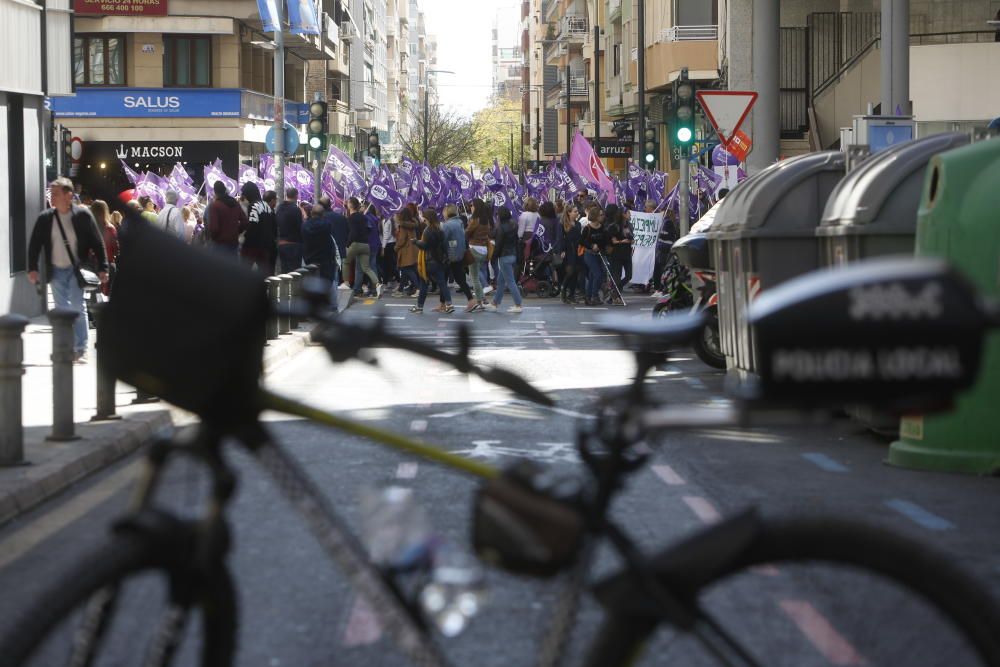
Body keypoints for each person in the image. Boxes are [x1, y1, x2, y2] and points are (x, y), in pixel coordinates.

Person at [26, 178, 109, 362]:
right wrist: (32, 268)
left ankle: (81, 348)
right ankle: (65, 347)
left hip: (76, 269)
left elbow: (97, 242)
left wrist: (103, 267)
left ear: (68, 195)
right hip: (55, 270)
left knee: (78, 307)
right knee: (61, 311)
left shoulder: (82, 216)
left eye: (55, 193)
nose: (51, 197)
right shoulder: (46, 218)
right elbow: (34, 244)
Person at [410, 209, 451, 314]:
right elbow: (445, 246)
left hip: (429, 262)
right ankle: (449, 304)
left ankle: (419, 307)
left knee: (423, 284)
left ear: (428, 218)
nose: (423, 219)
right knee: (442, 283)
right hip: (439, 261)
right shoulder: (440, 229)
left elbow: (425, 245)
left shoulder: (428, 230)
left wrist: (415, 242)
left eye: (424, 218)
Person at [302, 203, 339, 313]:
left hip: (310, 257)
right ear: (323, 214)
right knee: (328, 281)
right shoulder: (327, 225)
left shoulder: (304, 225)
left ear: (311, 213)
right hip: (325, 257)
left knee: (310, 281)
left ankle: (312, 307)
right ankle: (331, 305)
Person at [484, 207, 522, 314]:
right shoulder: (514, 224)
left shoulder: (501, 228)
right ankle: (495, 303)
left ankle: (518, 304)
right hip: (513, 254)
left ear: (499, 216)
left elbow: (498, 245)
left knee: (510, 281)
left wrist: (493, 258)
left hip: (504, 257)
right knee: (501, 281)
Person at [345, 196, 383, 303]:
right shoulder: (372, 218)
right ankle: (376, 285)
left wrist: (348, 244)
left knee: (357, 267)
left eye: (363, 206)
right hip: (372, 245)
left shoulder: (365, 217)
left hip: (364, 244)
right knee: (369, 267)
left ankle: (357, 289)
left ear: (365, 207)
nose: (361, 207)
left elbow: (359, 231)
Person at [441, 204, 476, 312]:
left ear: (447, 213)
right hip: (459, 253)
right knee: (458, 279)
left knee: (445, 279)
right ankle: (443, 303)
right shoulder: (459, 222)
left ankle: (469, 301)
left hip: (451, 255)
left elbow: (443, 240)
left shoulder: (448, 225)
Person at [240, 182, 276, 274]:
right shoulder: (266, 205)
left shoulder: (253, 206)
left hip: (252, 245)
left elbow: (252, 225)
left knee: (244, 271)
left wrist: (246, 240)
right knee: (264, 274)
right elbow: (273, 225)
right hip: (266, 245)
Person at [207, 180, 248, 256]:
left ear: (215, 192)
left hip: (219, 245)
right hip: (234, 244)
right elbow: (245, 222)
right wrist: (236, 232)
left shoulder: (215, 206)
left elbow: (214, 228)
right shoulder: (235, 204)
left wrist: (214, 238)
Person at [465, 199, 492, 311]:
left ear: (476, 207)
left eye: (472, 205)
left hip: (474, 249)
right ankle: (483, 298)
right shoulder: (486, 221)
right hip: (483, 250)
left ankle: (480, 301)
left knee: (474, 277)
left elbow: (467, 232)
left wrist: (467, 226)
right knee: (477, 276)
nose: (470, 207)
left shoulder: (475, 220)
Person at [579, 205, 609, 306]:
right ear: (595, 216)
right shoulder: (588, 228)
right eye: (600, 215)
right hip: (589, 254)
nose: (603, 216)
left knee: (592, 276)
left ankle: (588, 296)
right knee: (598, 274)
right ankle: (594, 295)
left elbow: (605, 240)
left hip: (599, 254)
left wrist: (603, 246)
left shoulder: (602, 228)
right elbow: (582, 241)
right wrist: (591, 245)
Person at [90, 199, 119, 297]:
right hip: (108, 264)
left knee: (93, 293)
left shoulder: (89, 227)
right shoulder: (110, 228)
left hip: (92, 264)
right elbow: (116, 249)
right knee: (108, 294)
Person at [275, 187, 304, 273]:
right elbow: (299, 226)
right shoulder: (296, 209)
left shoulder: (279, 208)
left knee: (284, 270)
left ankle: (284, 286)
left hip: (281, 244)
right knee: (294, 271)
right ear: (296, 196)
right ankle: (293, 287)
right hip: (294, 244)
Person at [393, 208, 420, 297]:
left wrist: (396, 247)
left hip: (406, 250)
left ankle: (418, 288)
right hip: (413, 249)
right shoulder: (413, 223)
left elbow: (402, 240)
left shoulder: (403, 225)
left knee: (406, 269)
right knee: (406, 271)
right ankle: (400, 290)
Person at [606, 204, 633, 292]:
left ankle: (617, 288)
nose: (630, 215)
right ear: (623, 214)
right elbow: (612, 241)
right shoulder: (615, 226)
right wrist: (622, 241)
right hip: (617, 253)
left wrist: (631, 240)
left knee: (629, 275)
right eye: (628, 213)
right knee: (617, 275)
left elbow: (631, 238)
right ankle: (615, 292)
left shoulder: (629, 225)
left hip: (627, 253)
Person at [558, 204, 582, 304]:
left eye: (577, 211)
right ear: (569, 212)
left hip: (577, 250)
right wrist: (562, 250)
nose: (577, 213)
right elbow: (560, 238)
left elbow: (579, 238)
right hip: (568, 250)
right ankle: (563, 289)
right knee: (570, 271)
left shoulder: (578, 224)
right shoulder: (562, 224)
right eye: (575, 211)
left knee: (576, 272)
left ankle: (571, 294)